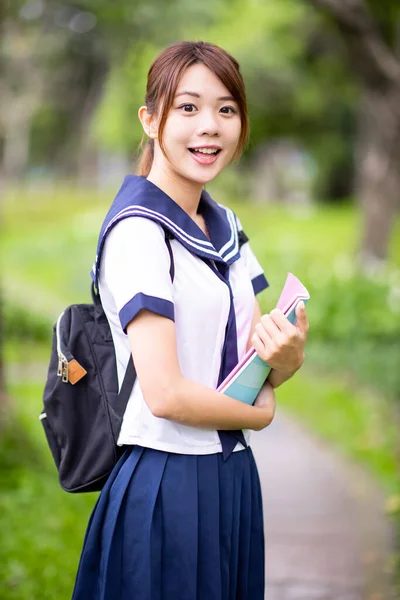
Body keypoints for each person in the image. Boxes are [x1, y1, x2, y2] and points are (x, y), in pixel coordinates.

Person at [72, 40, 308, 600]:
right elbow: (167, 394)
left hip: (231, 481)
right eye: (188, 108)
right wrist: (261, 415)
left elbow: (255, 361)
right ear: (151, 120)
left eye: (226, 109)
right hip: (166, 482)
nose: (210, 126)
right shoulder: (139, 231)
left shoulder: (225, 225)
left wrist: (288, 360)